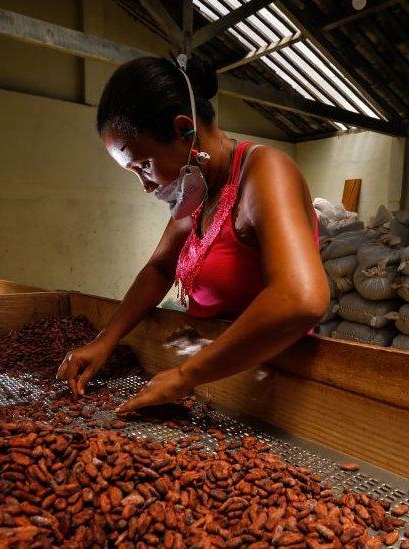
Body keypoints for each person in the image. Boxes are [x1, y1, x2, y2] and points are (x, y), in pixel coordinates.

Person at [56, 56, 329, 413]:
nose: (144, 185)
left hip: (269, 385)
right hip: (213, 379)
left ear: (185, 129)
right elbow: (159, 268)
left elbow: (301, 298)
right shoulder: (198, 188)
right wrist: (104, 341)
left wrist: (184, 376)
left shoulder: (265, 172)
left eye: (143, 166)